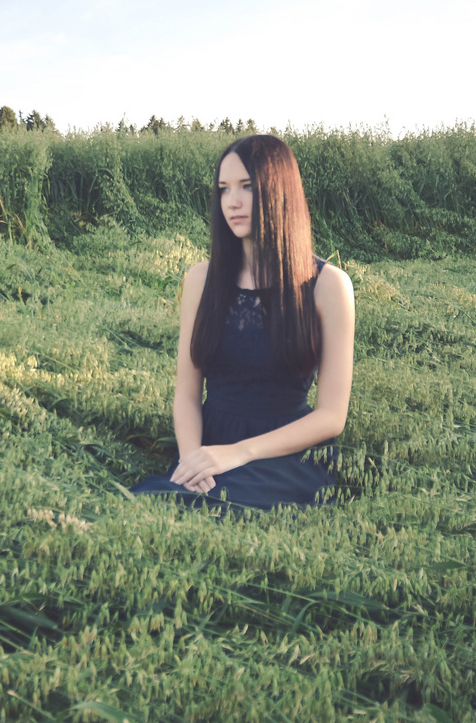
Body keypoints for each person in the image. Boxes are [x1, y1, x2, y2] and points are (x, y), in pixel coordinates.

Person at [130, 134, 355, 510]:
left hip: (288, 453)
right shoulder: (201, 279)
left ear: (279, 191)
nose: (231, 202)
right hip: (211, 444)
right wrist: (192, 462)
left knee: (226, 507)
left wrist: (238, 453)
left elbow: (332, 417)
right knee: (153, 501)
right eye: (223, 189)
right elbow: (187, 394)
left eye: (247, 187)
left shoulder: (328, 285)